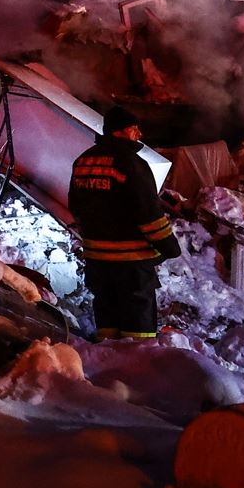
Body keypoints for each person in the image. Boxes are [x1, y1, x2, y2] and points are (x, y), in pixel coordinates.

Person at [68, 105, 181, 339]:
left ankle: (109, 357)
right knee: (137, 318)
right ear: (120, 131)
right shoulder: (131, 163)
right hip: (131, 262)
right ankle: (136, 366)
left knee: (107, 311)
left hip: (97, 258)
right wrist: (169, 246)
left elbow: (76, 206)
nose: (139, 134)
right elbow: (148, 212)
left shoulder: (83, 161)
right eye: (134, 128)